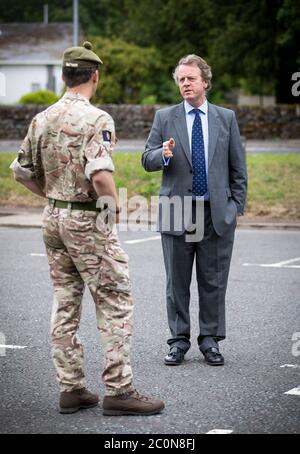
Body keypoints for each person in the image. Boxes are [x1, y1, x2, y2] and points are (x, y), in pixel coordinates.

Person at [10, 41, 164, 416]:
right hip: (85, 219)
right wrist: (111, 209)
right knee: (115, 299)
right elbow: (99, 175)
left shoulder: (41, 117)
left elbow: (19, 171)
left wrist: (51, 194)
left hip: (53, 218)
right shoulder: (98, 119)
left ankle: (71, 388)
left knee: (65, 301)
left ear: (64, 76)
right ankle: (119, 389)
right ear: (94, 76)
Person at [142, 54, 247, 367]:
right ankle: (178, 341)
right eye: (180, 79)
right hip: (176, 211)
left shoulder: (225, 118)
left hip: (215, 213)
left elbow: (237, 169)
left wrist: (234, 207)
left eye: (190, 78)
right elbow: (146, 159)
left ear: (205, 82)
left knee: (213, 282)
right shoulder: (165, 117)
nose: (184, 83)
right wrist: (162, 153)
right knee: (176, 283)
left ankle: (211, 341)